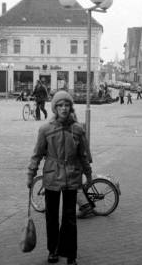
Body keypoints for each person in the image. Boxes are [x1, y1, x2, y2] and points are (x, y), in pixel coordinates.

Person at [27, 91, 92, 265]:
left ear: (71, 107)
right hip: (52, 176)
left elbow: (83, 155)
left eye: (67, 105)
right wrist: (30, 174)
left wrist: (88, 173)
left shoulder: (77, 129)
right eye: (60, 105)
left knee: (69, 218)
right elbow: (37, 154)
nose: (64, 108)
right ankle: (53, 250)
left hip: (72, 176)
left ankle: (71, 254)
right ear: (55, 108)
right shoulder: (46, 129)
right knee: (52, 216)